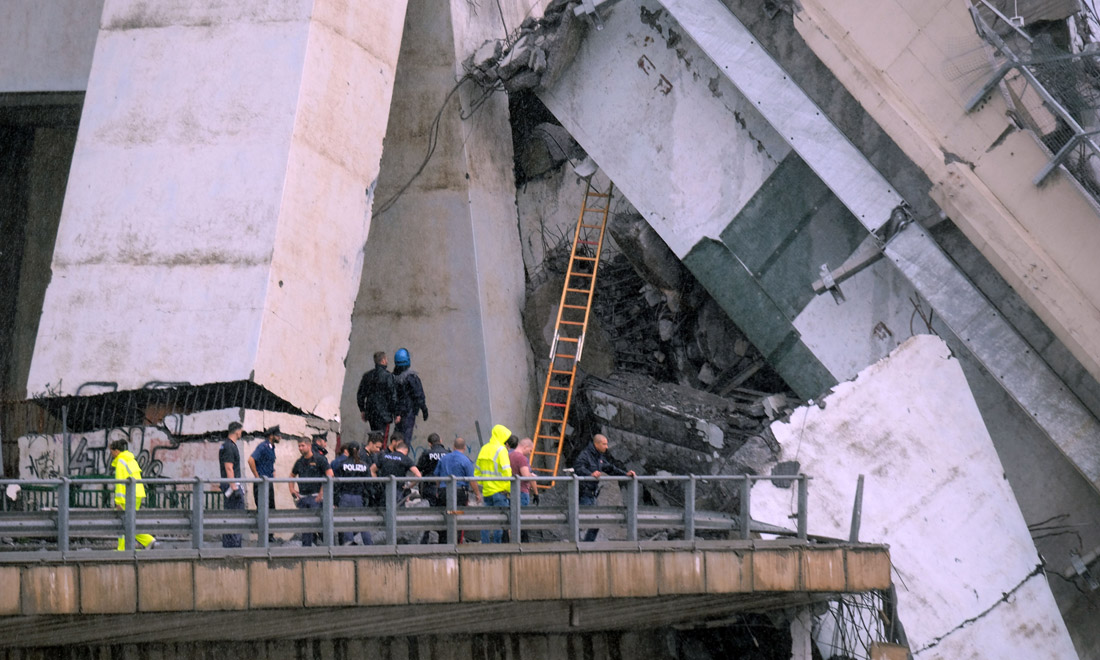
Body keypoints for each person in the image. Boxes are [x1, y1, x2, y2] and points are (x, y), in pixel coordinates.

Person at [573, 433, 635, 542]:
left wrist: (625, 474)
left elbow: (610, 468)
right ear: (596, 444)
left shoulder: (598, 456)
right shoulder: (585, 455)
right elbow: (578, 467)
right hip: (583, 494)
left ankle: (587, 545)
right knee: (582, 521)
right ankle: (577, 544)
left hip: (592, 494)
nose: (606, 447)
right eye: (604, 444)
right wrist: (590, 474)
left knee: (596, 522)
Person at [109, 439, 156, 551]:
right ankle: (129, 546)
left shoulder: (121, 462)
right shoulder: (131, 460)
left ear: (116, 451)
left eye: (111, 452)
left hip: (128, 496)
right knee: (129, 521)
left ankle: (144, 541)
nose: (111, 454)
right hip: (137, 493)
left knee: (124, 521)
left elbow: (120, 483)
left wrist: (119, 502)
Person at [434, 437, 481, 543]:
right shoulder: (466, 460)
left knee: (445, 515)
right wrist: (477, 494)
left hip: (443, 491)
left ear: (453, 447)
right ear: (464, 448)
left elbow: (437, 476)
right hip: (459, 493)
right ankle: (455, 541)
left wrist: (438, 489)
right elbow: (471, 480)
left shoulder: (444, 458)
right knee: (457, 516)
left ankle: (443, 541)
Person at [290, 438, 333, 546]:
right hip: (303, 497)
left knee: (319, 524)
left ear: (309, 446)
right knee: (306, 526)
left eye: (302, 445)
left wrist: (322, 492)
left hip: (316, 497)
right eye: (299, 446)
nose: (300, 448)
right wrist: (292, 489)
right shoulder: (299, 462)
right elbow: (292, 475)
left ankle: (328, 547)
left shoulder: (319, 459)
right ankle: (307, 548)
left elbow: (330, 474)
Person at [475, 424, 513, 543]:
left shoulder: (484, 448)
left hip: (487, 491)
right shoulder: (501, 450)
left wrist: (485, 483)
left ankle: (485, 544)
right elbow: (507, 472)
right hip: (500, 491)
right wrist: (509, 489)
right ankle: (497, 545)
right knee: (500, 521)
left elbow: (477, 471)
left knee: (486, 520)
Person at [333, 442, 372, 545]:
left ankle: (349, 544)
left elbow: (337, 484)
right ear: (358, 451)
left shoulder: (342, 464)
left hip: (345, 496)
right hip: (358, 497)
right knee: (362, 522)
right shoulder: (364, 465)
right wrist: (368, 497)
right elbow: (368, 483)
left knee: (347, 521)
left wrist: (335, 501)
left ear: (347, 451)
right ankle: (368, 544)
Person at [247, 425, 280, 543]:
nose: (279, 437)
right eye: (277, 435)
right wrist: (257, 476)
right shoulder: (263, 446)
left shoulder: (271, 447)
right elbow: (251, 460)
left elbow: (269, 463)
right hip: (261, 484)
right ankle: (264, 537)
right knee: (263, 509)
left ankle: (269, 536)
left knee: (271, 508)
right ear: (271, 436)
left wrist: (273, 471)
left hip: (268, 482)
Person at [370, 434, 422, 507]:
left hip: (384, 491)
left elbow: (372, 470)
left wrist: (377, 482)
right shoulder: (405, 459)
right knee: (397, 512)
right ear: (406, 451)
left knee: (384, 510)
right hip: (398, 492)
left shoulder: (384, 456)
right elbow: (418, 475)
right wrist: (409, 486)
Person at [416, 432, 450, 543]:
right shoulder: (448, 453)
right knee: (443, 514)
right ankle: (443, 541)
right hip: (444, 488)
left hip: (428, 487)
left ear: (429, 443)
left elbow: (418, 469)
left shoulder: (426, 454)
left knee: (428, 514)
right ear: (441, 440)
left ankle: (424, 541)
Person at [356, 351, 397, 440]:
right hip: (384, 414)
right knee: (382, 439)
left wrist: (362, 409)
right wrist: (395, 413)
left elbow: (361, 394)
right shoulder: (388, 376)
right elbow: (393, 396)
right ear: (383, 360)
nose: (387, 361)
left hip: (371, 413)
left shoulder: (367, 376)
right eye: (386, 359)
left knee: (374, 436)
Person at [393, 348, 428, 444]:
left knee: (396, 438)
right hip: (408, 411)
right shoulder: (411, 377)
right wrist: (424, 409)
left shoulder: (393, 377)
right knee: (405, 439)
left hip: (396, 412)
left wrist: (396, 412)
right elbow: (418, 395)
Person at [219, 421, 246, 548]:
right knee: (236, 516)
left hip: (229, 485)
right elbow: (229, 467)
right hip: (232, 486)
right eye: (241, 431)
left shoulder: (226, 445)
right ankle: (234, 546)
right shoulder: (230, 447)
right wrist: (234, 487)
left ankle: (229, 545)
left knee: (230, 515)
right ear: (237, 431)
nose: (241, 433)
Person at [506, 437, 535, 543]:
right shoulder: (521, 458)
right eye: (530, 450)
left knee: (512, 519)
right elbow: (526, 476)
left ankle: (512, 542)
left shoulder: (508, 455)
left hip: (511, 491)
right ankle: (522, 543)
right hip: (522, 492)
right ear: (525, 447)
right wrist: (532, 476)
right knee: (522, 520)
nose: (530, 453)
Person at [363, 432, 385, 507]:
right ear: (370, 443)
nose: (378, 450)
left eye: (379, 448)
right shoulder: (362, 455)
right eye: (377, 447)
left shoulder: (374, 455)